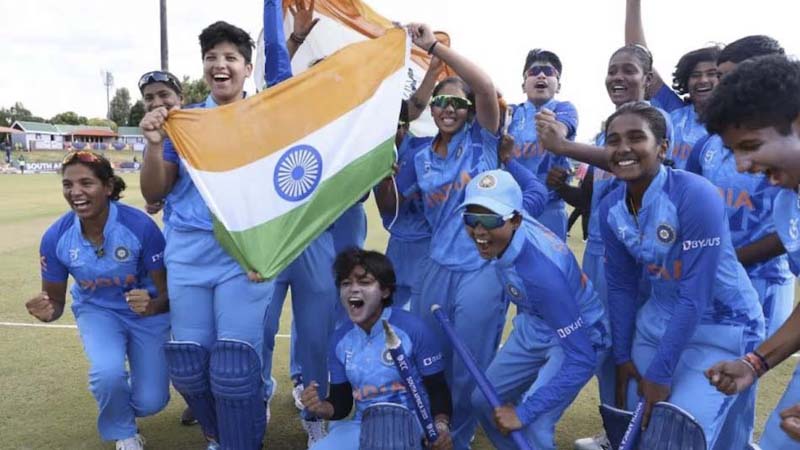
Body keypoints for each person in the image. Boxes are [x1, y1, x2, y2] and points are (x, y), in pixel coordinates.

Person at [138, 21, 275, 450]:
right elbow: (154, 192)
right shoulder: (185, 122)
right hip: (188, 255)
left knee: (235, 363)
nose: (221, 65)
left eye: (231, 57)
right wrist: (155, 143)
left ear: (247, 68)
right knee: (190, 364)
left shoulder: (269, 118)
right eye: (212, 57)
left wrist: (269, 251)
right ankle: (218, 434)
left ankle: (242, 438)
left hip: (244, 257)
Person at [598, 101, 764, 448]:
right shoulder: (610, 207)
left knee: (680, 431)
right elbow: (622, 287)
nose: (623, 148)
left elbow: (695, 294)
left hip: (722, 328)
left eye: (635, 138)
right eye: (613, 140)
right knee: (643, 427)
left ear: (662, 147)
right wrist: (623, 356)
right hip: (656, 325)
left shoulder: (695, 194)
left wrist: (660, 373)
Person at [536, 43, 674, 450]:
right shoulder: (606, 132)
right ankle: (616, 429)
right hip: (599, 250)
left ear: (648, 78)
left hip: (637, 255)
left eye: (628, 70)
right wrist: (566, 187)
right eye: (612, 69)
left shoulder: (657, 122)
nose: (617, 77)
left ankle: (638, 432)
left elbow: (639, 167)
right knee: (605, 344)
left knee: (634, 345)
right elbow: (592, 199)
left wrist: (565, 146)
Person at [381, 22, 505, 449]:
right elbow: (393, 207)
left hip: (480, 268)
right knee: (430, 358)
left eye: (457, 102)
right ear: (431, 109)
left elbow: (484, 86)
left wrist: (433, 47)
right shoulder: (420, 158)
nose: (448, 109)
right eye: (440, 102)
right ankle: (434, 429)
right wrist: (380, 172)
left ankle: (460, 437)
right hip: (434, 266)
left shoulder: (483, 141)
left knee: (469, 362)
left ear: (469, 110)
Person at [26, 151, 170, 450]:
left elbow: (169, 294)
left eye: (86, 183)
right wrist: (47, 310)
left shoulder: (140, 226)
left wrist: (153, 305)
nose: (75, 192)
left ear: (108, 187)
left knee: (152, 401)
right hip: (97, 311)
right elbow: (55, 303)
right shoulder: (56, 237)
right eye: (68, 185)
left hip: (147, 314)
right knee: (107, 373)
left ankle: (122, 407)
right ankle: (124, 433)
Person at [460, 170, 609, 449]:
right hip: (535, 323)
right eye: (471, 218)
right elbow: (533, 186)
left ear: (516, 220)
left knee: (535, 424)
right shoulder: (513, 218)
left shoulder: (541, 275)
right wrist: (509, 160)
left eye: (490, 219)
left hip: (581, 334)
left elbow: (582, 357)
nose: (479, 230)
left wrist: (524, 412)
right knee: (484, 401)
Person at [702, 53, 800, 449]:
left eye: (751, 145)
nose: (742, 166)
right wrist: (754, 364)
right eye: (733, 151)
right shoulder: (788, 203)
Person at [300, 249, 453, 450]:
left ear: (385, 291)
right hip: (363, 425)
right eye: (346, 283)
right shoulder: (339, 340)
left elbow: (438, 389)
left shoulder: (413, 329)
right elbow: (342, 403)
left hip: (414, 426)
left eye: (364, 282)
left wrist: (440, 427)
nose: (353, 290)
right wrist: (321, 408)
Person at [624, 0, 721, 169]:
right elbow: (639, 56)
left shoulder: (741, 123)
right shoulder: (673, 111)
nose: (703, 80)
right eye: (695, 75)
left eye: (712, 74)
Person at [506, 49, 579, 240]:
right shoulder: (509, 113)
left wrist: (554, 128)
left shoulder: (564, 109)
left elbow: (561, 131)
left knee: (549, 258)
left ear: (558, 85)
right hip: (511, 206)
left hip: (550, 209)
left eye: (549, 71)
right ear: (523, 85)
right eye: (533, 71)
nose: (541, 75)